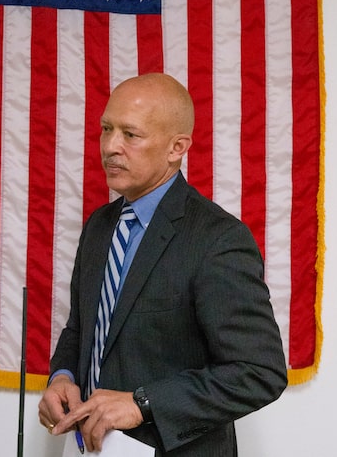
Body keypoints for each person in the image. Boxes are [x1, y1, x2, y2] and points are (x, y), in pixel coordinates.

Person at [38, 73, 287, 455]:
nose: (110, 147)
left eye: (130, 135)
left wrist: (141, 403)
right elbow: (81, 328)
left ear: (177, 147)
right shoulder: (99, 226)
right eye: (107, 129)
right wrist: (62, 375)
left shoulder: (217, 239)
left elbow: (258, 373)